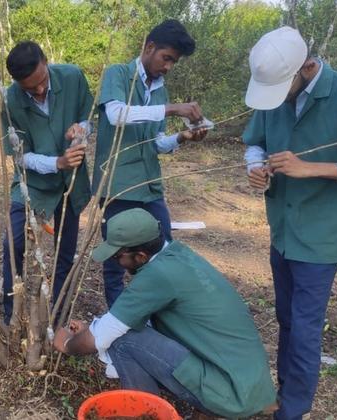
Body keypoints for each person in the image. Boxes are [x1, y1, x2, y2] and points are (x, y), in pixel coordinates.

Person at [242, 26, 337, 420]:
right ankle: (285, 393)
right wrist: (255, 166)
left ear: (306, 67)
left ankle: (294, 410)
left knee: (305, 326)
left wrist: (311, 168)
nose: (275, 98)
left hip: (323, 234)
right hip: (283, 227)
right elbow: (254, 141)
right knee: (285, 316)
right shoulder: (275, 91)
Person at [53, 209, 277, 419]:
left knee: (122, 339)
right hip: (247, 386)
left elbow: (103, 336)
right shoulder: (176, 255)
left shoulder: (156, 276)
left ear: (140, 256)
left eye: (117, 256)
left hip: (230, 394)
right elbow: (120, 322)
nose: (116, 262)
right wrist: (94, 327)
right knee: (120, 330)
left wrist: (67, 344)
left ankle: (143, 410)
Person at [93, 19, 209, 307]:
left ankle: (155, 318)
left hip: (149, 186)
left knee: (161, 252)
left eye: (173, 62)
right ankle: (118, 325)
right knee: (117, 259)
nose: (168, 66)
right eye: (166, 58)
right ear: (149, 47)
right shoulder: (118, 74)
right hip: (117, 185)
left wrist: (182, 137)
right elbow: (116, 115)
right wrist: (171, 109)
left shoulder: (159, 88)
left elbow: (156, 143)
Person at [0, 41, 93, 323]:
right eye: (30, 88)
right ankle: (10, 316)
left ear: (46, 62)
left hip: (71, 182)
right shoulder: (9, 100)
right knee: (13, 244)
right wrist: (57, 163)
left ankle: (58, 315)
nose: (39, 91)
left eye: (42, 82)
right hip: (33, 185)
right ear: (17, 83)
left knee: (65, 250)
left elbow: (87, 119)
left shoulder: (73, 76)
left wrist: (81, 131)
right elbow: (19, 157)